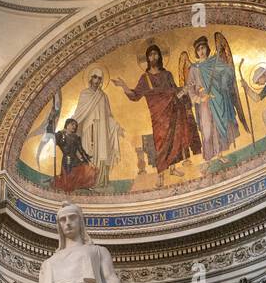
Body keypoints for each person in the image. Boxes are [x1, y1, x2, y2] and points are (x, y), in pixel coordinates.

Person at [112, 44, 201, 188]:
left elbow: (174, 92)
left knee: (175, 140)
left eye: (156, 54)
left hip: (173, 112)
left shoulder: (167, 75)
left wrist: (185, 90)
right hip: (159, 116)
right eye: (150, 55)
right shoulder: (145, 78)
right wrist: (124, 86)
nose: (153, 57)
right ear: (147, 58)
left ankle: (172, 169)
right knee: (161, 144)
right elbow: (135, 96)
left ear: (159, 56)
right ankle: (160, 175)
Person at [185, 36, 240, 167]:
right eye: (198, 49)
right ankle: (208, 159)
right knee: (207, 129)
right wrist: (199, 98)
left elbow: (228, 71)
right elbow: (190, 89)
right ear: (196, 52)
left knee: (218, 127)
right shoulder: (194, 68)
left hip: (218, 99)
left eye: (203, 48)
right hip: (204, 103)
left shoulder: (215, 62)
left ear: (207, 48)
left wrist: (223, 83)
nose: (201, 51)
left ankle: (220, 154)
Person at [71, 66, 124, 188]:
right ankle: (87, 181)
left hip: (102, 131)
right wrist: (70, 126)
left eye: (99, 78)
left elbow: (108, 115)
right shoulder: (84, 94)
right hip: (88, 129)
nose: (97, 80)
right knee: (87, 152)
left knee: (101, 152)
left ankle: (100, 182)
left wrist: (116, 126)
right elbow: (79, 112)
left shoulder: (103, 96)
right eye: (95, 77)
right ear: (90, 78)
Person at [52, 119, 97, 193]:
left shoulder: (76, 137)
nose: (74, 126)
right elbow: (54, 141)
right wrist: (55, 134)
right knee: (68, 180)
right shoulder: (60, 134)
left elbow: (81, 150)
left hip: (75, 159)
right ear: (67, 125)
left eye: (75, 125)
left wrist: (89, 161)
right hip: (67, 159)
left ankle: (85, 185)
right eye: (72, 124)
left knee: (88, 169)